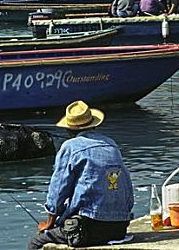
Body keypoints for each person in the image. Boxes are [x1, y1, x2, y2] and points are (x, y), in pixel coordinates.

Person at [28, 100, 134, 249]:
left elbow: (58, 190)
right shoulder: (111, 144)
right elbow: (126, 185)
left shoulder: (70, 147)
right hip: (119, 228)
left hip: (88, 227)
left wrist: (49, 223)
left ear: (69, 129)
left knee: (36, 242)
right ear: (94, 124)